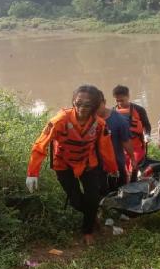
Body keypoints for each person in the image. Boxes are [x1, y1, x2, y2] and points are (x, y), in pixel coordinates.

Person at [25, 85, 118, 245]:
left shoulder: (99, 124)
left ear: (95, 106)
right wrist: (32, 173)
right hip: (64, 164)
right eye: (78, 103)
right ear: (73, 102)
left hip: (88, 163)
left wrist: (112, 168)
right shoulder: (59, 120)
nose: (81, 108)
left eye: (87, 105)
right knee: (76, 201)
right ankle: (92, 214)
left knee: (93, 197)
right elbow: (40, 145)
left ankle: (88, 231)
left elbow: (106, 147)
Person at [97, 91, 136, 191]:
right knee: (101, 191)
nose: (95, 109)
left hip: (116, 164)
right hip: (96, 165)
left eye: (97, 105)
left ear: (104, 102)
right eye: (91, 106)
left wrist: (132, 158)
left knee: (119, 189)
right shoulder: (88, 119)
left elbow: (126, 142)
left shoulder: (119, 120)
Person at [112, 85, 152, 182]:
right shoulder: (112, 111)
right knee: (123, 170)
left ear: (128, 96)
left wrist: (147, 135)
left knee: (133, 167)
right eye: (117, 100)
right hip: (121, 148)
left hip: (137, 147)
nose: (120, 103)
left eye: (122, 100)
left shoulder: (139, 110)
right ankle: (125, 185)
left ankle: (134, 184)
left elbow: (147, 125)